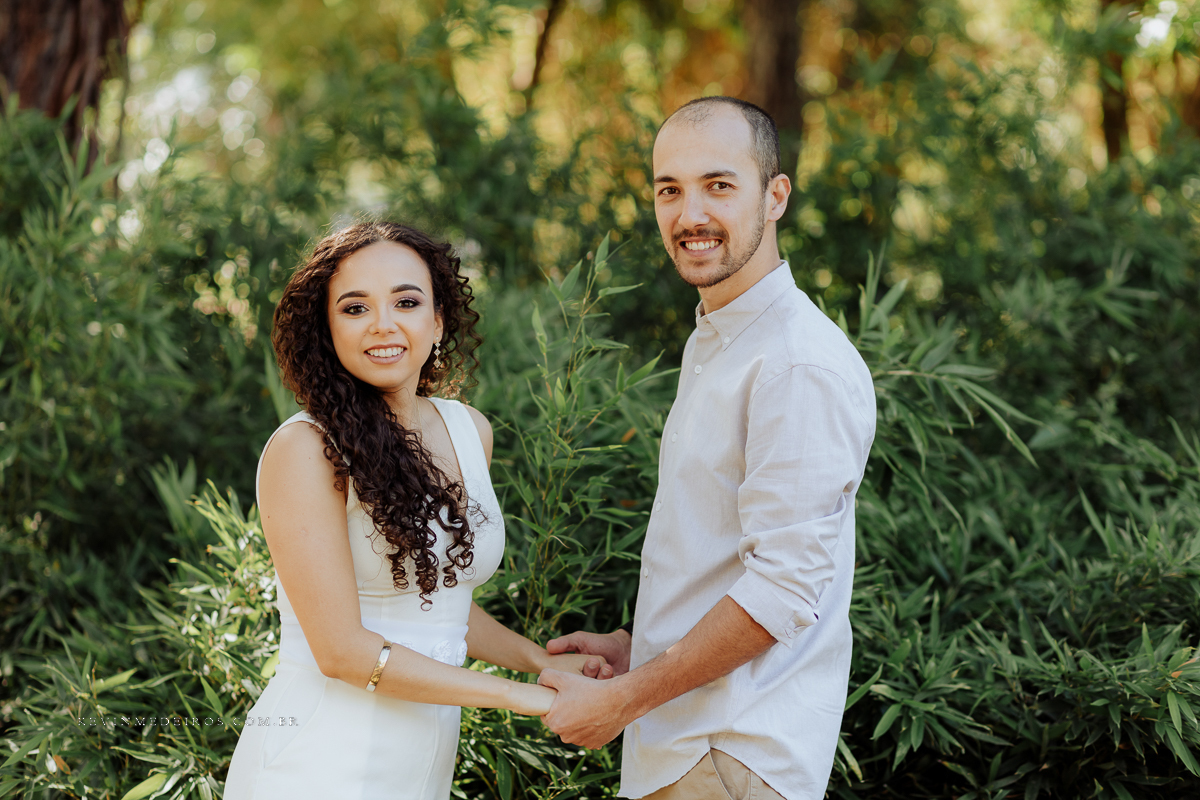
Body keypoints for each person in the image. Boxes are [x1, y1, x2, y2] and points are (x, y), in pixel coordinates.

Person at [537, 97, 877, 799]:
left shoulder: (795, 362)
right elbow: (725, 555)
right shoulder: (718, 341)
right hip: (692, 750)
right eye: (670, 190)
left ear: (774, 195)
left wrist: (628, 697)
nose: (690, 214)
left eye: (719, 186)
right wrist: (639, 649)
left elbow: (782, 591)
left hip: (730, 755)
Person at [224, 221, 602, 799]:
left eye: (406, 301)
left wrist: (540, 663)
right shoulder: (305, 448)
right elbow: (343, 651)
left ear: (438, 319)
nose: (384, 324)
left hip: (419, 768)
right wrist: (524, 698)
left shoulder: (469, 431)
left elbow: (436, 598)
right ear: (326, 329)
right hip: (318, 765)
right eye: (354, 308)